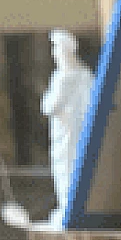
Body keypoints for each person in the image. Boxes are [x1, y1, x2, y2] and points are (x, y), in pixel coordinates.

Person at [42, 30, 95, 227]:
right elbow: (48, 106)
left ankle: (71, 206)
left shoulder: (74, 77)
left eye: (57, 49)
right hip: (65, 132)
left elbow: (51, 105)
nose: (55, 54)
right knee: (65, 166)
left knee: (71, 167)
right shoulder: (69, 75)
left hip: (74, 133)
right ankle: (68, 204)